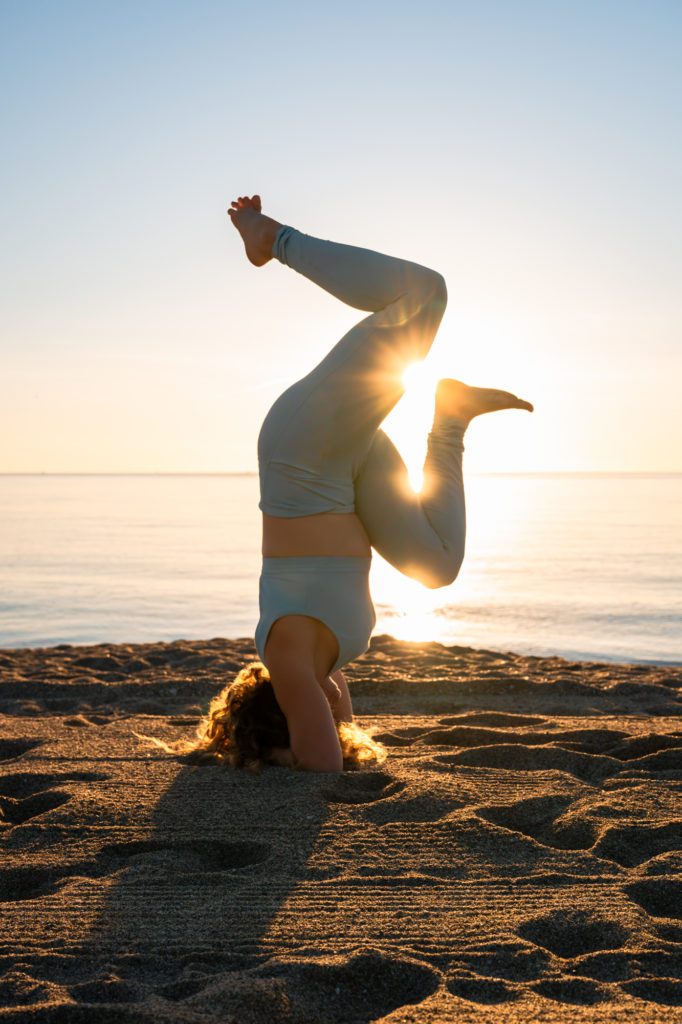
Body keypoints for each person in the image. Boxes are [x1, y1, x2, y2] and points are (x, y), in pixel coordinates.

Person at [167, 195, 533, 774]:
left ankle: (273, 239)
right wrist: (313, 725)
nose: (337, 710)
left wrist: (268, 757)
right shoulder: (326, 665)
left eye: (314, 710)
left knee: (424, 294)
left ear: (282, 711)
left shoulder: (287, 655)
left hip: (302, 450)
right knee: (436, 567)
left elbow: (324, 764)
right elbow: (336, 732)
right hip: (344, 476)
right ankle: (451, 420)